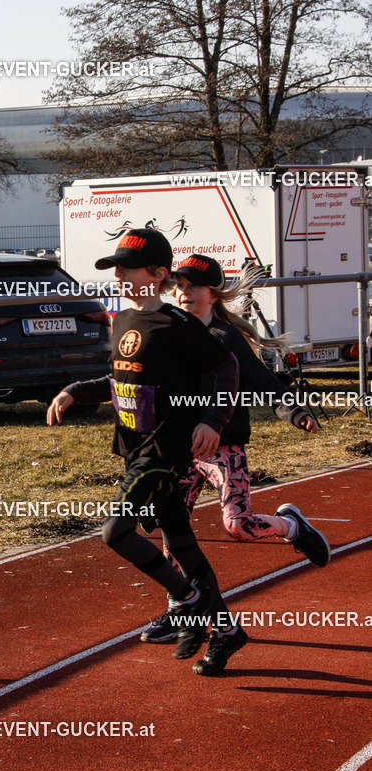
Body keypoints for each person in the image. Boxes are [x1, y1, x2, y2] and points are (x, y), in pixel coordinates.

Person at [47, 228, 241, 670]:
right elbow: (122, 382)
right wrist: (76, 391)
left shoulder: (178, 325)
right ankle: (227, 631)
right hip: (134, 450)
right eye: (114, 268)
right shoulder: (123, 320)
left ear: (158, 274)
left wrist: (212, 420)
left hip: (163, 453)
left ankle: (188, 599)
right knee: (181, 542)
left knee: (116, 532)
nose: (118, 275)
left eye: (127, 268)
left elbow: (226, 368)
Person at [140, 253, 330, 673]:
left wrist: (294, 412)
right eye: (180, 286)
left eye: (195, 287)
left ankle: (291, 524)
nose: (185, 293)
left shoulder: (226, 338)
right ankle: (181, 609)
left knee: (238, 526)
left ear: (214, 293)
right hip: (180, 451)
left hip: (224, 448)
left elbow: (263, 382)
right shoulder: (169, 330)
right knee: (173, 528)